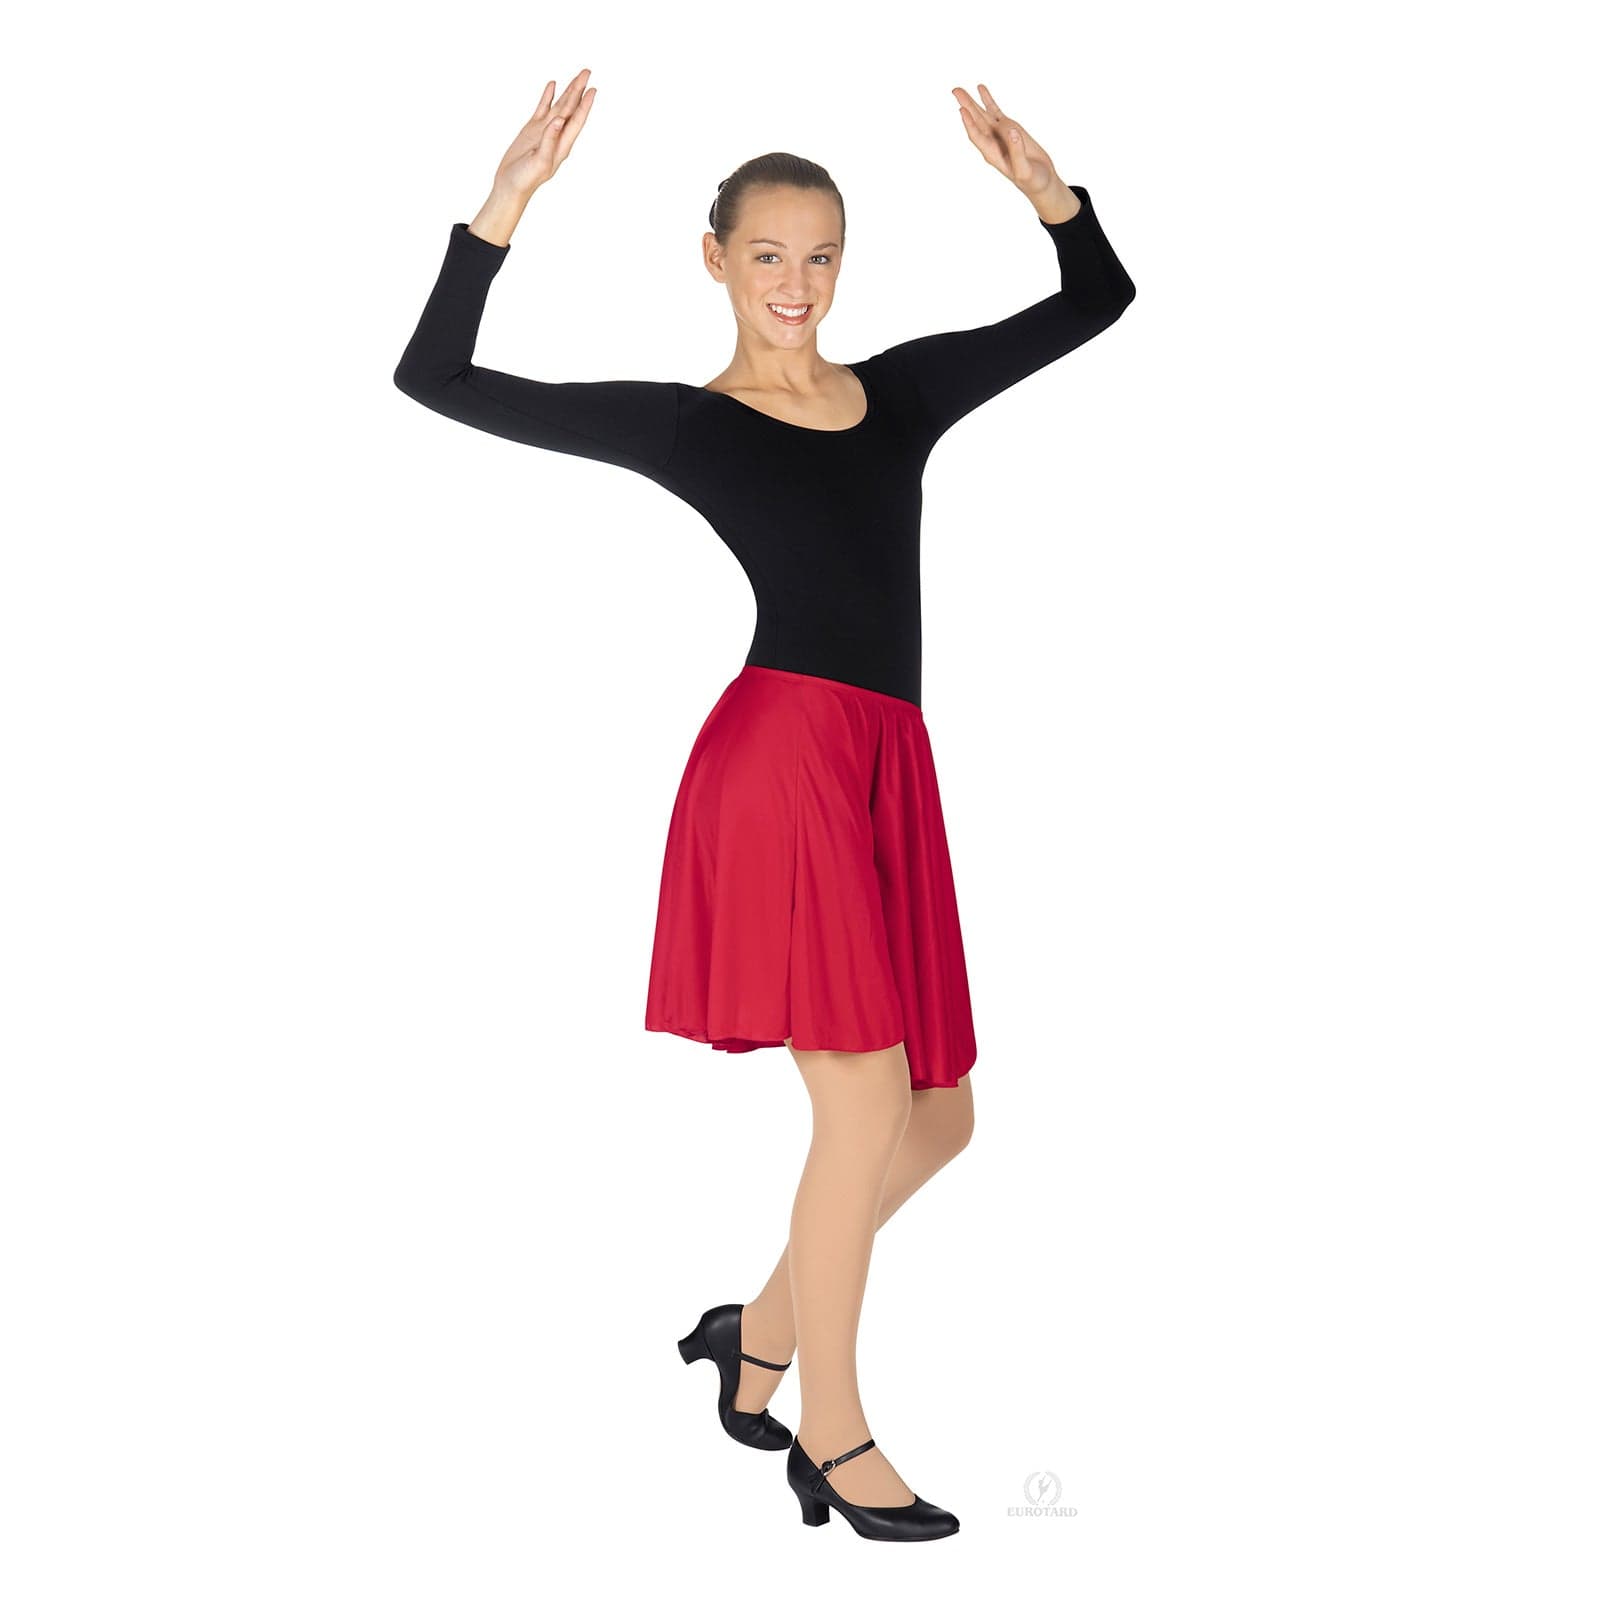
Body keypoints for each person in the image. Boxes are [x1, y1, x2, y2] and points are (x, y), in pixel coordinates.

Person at [393, 68, 1136, 1541]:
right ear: (717, 260)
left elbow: (1096, 300)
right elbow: (438, 378)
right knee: (861, 1107)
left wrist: (1048, 194)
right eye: (768, 254)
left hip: (886, 765)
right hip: (782, 765)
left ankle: (757, 1330)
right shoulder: (694, 426)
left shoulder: (901, 393)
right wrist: (503, 208)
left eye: (822, 255)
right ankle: (831, 1434)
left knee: (938, 1117)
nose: (796, 283)